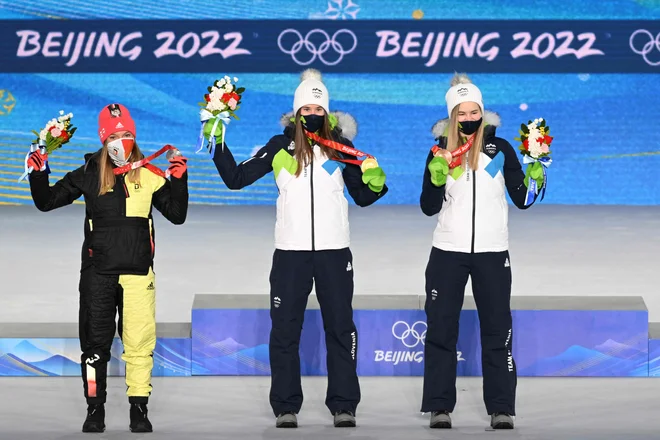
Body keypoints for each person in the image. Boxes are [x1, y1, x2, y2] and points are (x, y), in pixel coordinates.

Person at [210, 69, 388, 428]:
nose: (312, 114)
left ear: (328, 113)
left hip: (334, 252)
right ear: (295, 113)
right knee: (285, 331)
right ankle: (286, 405)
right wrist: (216, 141)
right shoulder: (280, 147)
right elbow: (236, 179)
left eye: (318, 108)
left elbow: (363, 197)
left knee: (340, 328)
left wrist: (376, 181)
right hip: (290, 253)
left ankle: (343, 405)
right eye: (305, 108)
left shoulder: (342, 149)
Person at [27, 103, 189, 433]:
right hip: (98, 275)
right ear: (104, 139)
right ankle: (94, 409)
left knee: (140, 345)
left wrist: (179, 179)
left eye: (127, 134)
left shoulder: (151, 174)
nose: (122, 140)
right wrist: (39, 172)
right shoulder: (88, 174)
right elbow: (46, 201)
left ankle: (139, 410)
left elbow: (177, 214)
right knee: (94, 347)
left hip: (138, 274)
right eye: (115, 135)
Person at [419, 74, 544, 430]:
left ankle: (501, 408)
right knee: (441, 330)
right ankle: (440, 406)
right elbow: (428, 206)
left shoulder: (500, 149)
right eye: (463, 113)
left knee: (497, 331)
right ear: (452, 116)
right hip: (448, 251)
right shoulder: (438, 151)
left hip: (492, 252)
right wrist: (436, 176)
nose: (471, 118)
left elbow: (522, 199)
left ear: (483, 113)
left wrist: (536, 173)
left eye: (476, 111)